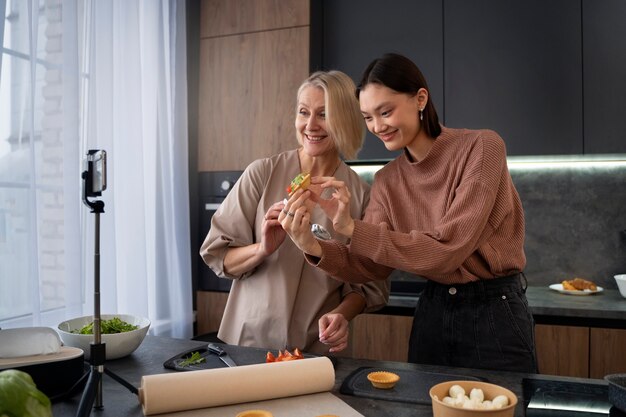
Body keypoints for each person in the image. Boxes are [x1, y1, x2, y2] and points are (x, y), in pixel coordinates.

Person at [280, 53, 537, 373]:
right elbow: (369, 267)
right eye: (368, 117)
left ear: (420, 98)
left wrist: (351, 227)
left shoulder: (481, 147)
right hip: (433, 311)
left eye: (385, 112)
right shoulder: (388, 179)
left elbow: (448, 249)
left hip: (493, 313)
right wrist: (311, 244)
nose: (377, 126)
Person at [200, 70, 389, 355]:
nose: (310, 125)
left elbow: (369, 286)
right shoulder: (262, 173)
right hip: (249, 342)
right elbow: (218, 255)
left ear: (346, 119)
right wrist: (263, 249)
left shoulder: (362, 195)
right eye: (304, 112)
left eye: (323, 114)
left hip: (315, 347)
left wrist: (342, 315)